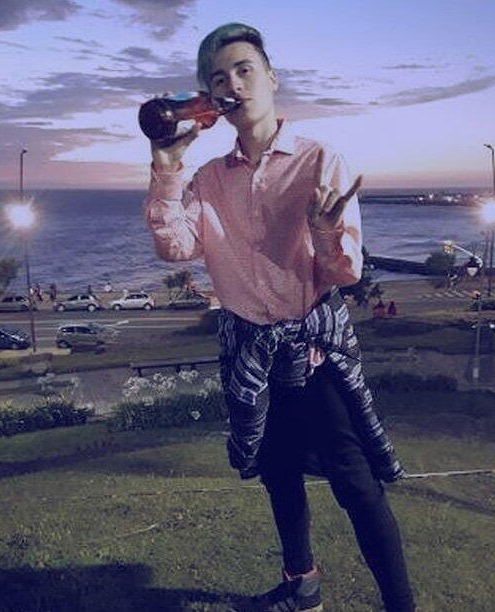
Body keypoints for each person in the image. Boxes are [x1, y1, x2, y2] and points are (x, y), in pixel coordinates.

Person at [144, 23, 415, 611]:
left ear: (271, 79)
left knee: (355, 481)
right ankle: (302, 585)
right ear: (210, 99)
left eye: (244, 70)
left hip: (313, 351)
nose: (233, 85)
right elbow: (175, 247)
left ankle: (401, 605)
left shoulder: (318, 160)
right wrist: (166, 168)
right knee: (278, 471)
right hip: (252, 355)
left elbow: (344, 273)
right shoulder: (209, 179)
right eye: (219, 78)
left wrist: (325, 231)